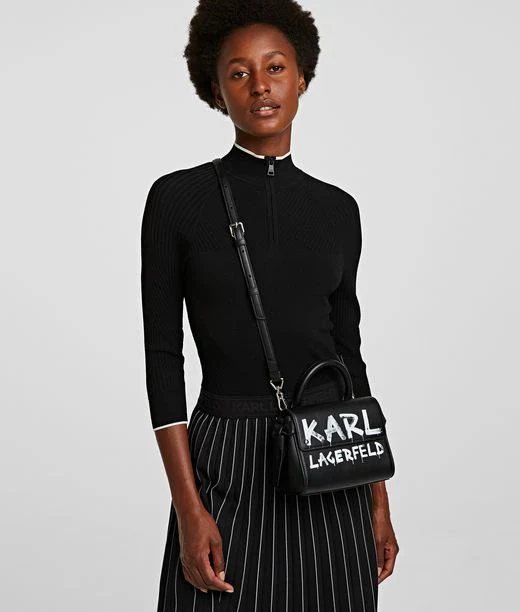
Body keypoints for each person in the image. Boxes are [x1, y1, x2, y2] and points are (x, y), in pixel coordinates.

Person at [140, 1, 399, 610]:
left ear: (301, 77)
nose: (260, 85)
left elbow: (349, 357)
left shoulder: (338, 210)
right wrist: (188, 508)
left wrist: (378, 497)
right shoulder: (178, 200)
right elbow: (162, 358)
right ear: (216, 90)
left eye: (275, 67)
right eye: (239, 73)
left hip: (332, 453)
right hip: (226, 459)